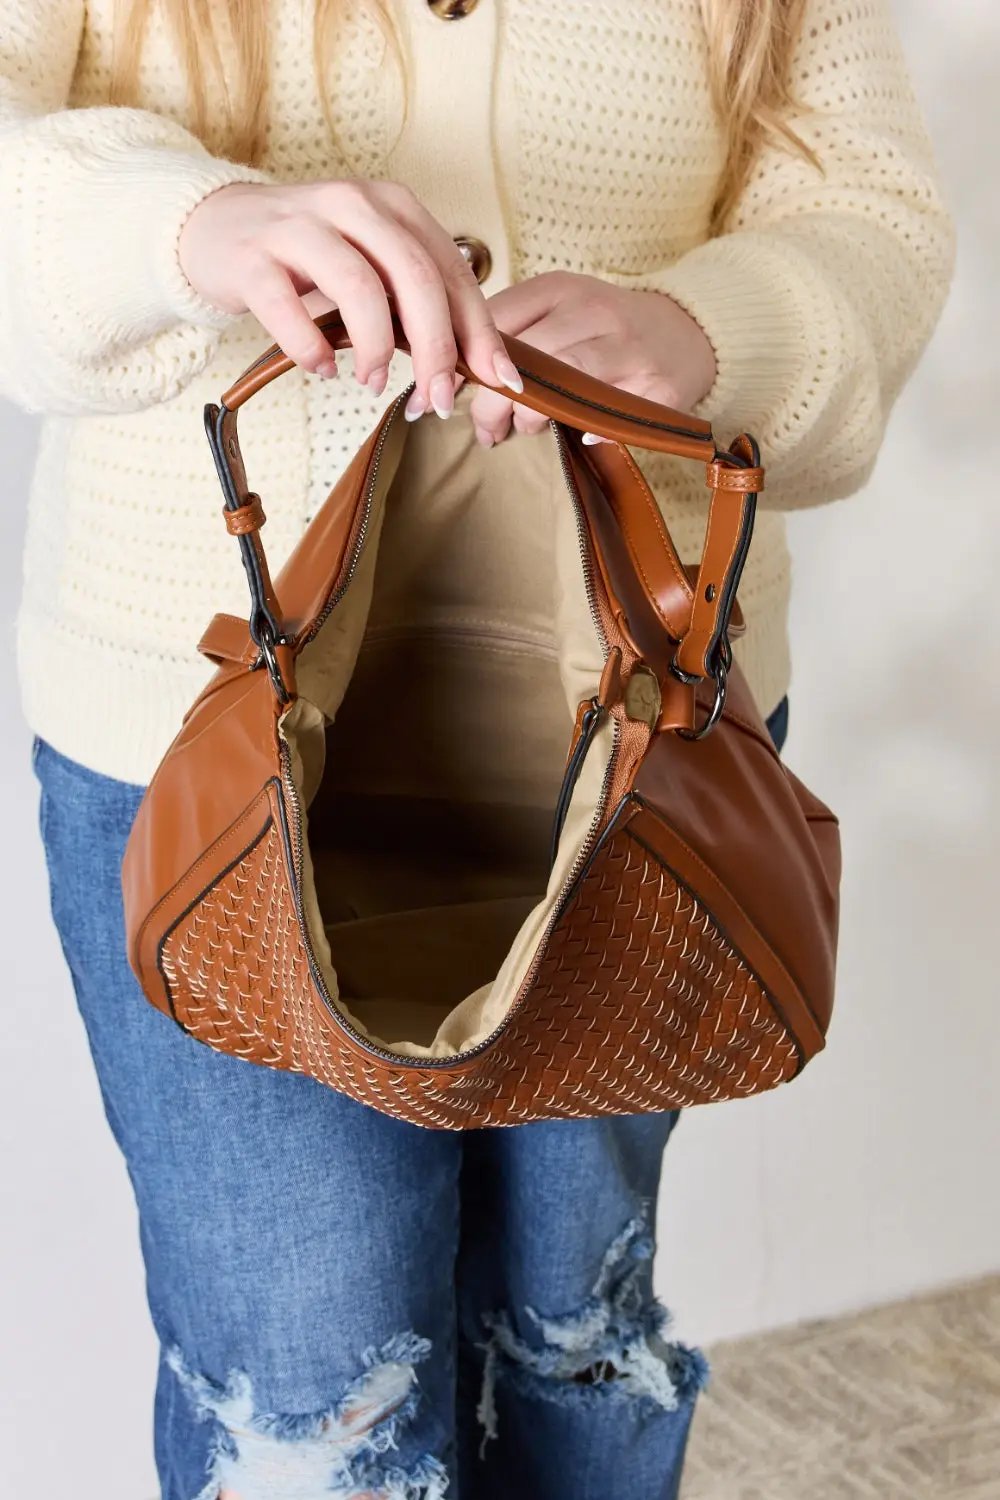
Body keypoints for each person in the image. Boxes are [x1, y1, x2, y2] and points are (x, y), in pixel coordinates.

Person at [0, 2, 954, 1497]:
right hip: (209, 750)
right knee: (305, 1408)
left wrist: (707, 328)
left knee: (574, 1331)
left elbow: (871, 210)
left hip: (644, 735)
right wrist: (187, 226)